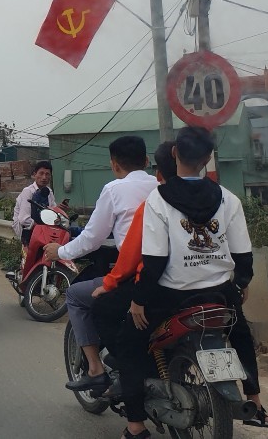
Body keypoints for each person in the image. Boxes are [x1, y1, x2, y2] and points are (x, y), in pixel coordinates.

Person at [116, 127, 268, 439]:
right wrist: (240, 284)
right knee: (240, 332)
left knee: (128, 344)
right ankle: (254, 401)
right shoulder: (228, 199)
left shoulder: (158, 200)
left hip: (171, 295)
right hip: (218, 292)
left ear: (174, 154)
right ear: (208, 157)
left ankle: (135, 426)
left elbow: (156, 262)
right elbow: (243, 255)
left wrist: (138, 300)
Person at [43, 136, 158, 392]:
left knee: (76, 295)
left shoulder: (114, 190)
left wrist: (59, 250)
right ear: (147, 161)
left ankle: (95, 369)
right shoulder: (162, 187)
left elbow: (92, 238)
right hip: (173, 272)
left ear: (114, 164)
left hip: (136, 274)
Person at [88, 141, 176, 396]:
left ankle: (134, 418)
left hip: (154, 282)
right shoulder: (214, 195)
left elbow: (135, 256)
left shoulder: (154, 201)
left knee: (105, 312)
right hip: (207, 285)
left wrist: (110, 284)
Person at [12, 161, 57, 246]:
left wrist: (60, 209)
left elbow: (53, 211)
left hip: (42, 227)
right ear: (34, 175)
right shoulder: (28, 192)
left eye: (47, 174)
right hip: (26, 230)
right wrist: (42, 230)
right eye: (41, 173)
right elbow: (24, 219)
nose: (44, 177)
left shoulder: (49, 192)